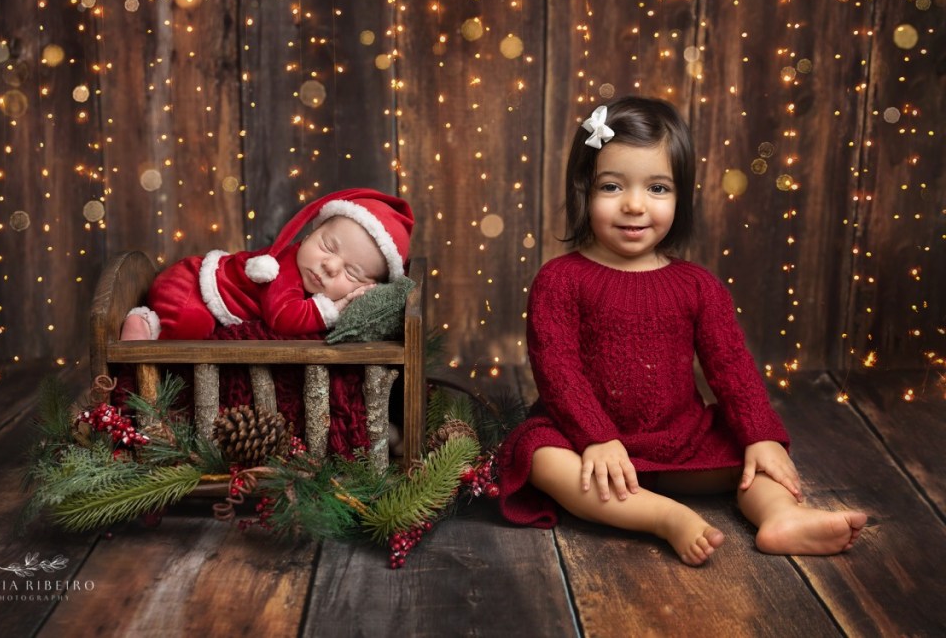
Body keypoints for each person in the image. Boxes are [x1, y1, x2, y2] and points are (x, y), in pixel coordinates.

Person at [497, 97, 866, 566]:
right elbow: (558, 370)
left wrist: (760, 434)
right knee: (540, 455)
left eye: (657, 188)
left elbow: (731, 367)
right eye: (612, 186)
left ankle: (780, 517)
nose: (634, 205)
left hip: (679, 439)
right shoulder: (560, 279)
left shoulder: (698, 286)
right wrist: (596, 436)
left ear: (681, 197)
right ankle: (663, 517)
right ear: (583, 191)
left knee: (753, 455)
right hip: (587, 443)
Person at [120, 187, 414, 341]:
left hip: (198, 286)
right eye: (327, 246)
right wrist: (336, 309)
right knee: (191, 325)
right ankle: (149, 326)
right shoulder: (285, 270)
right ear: (311, 233)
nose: (330, 266)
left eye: (351, 272)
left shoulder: (317, 274)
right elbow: (283, 317)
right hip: (191, 283)